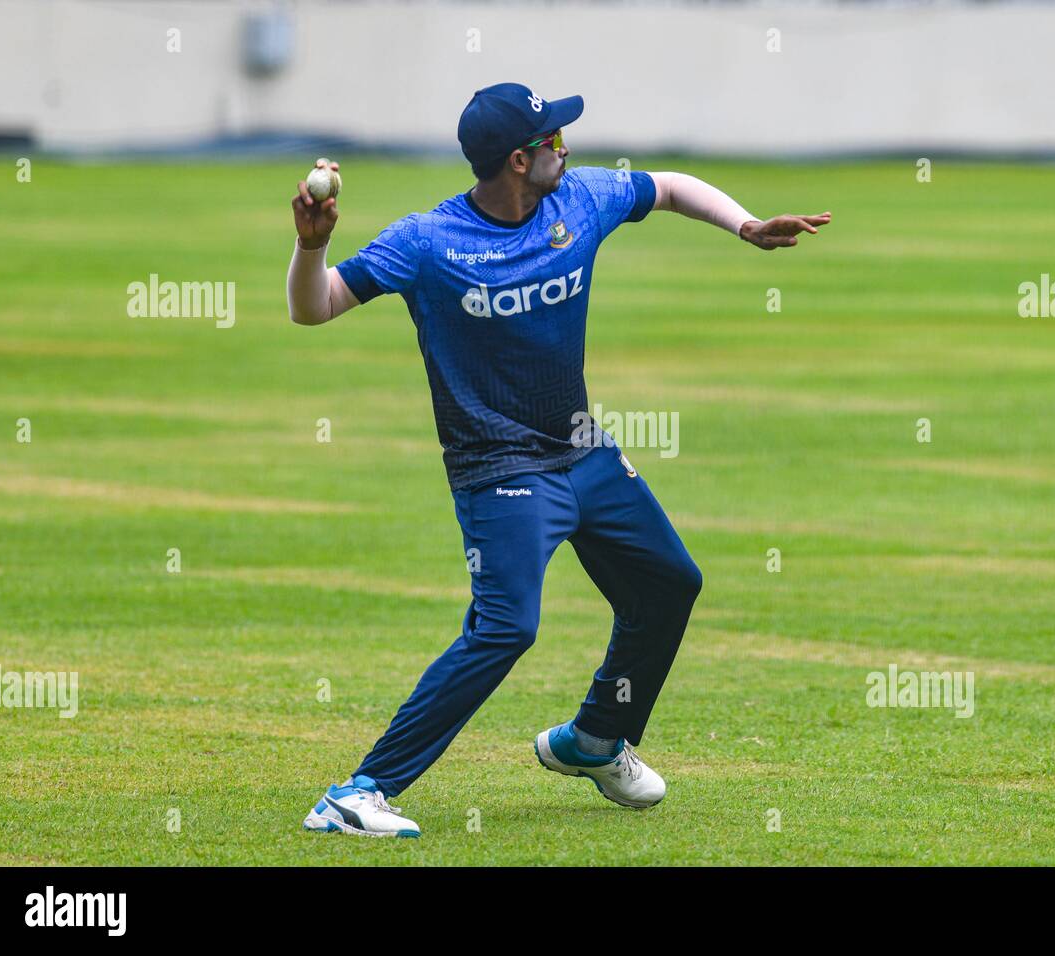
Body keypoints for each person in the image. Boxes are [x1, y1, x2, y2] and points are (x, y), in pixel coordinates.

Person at [288, 82, 830, 837]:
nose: (565, 147)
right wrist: (311, 246)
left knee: (669, 584)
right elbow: (314, 307)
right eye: (552, 139)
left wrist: (745, 226)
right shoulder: (428, 242)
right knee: (506, 627)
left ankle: (595, 740)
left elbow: (668, 187)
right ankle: (358, 792)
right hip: (499, 471)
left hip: (582, 452)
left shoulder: (579, 201)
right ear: (518, 160)